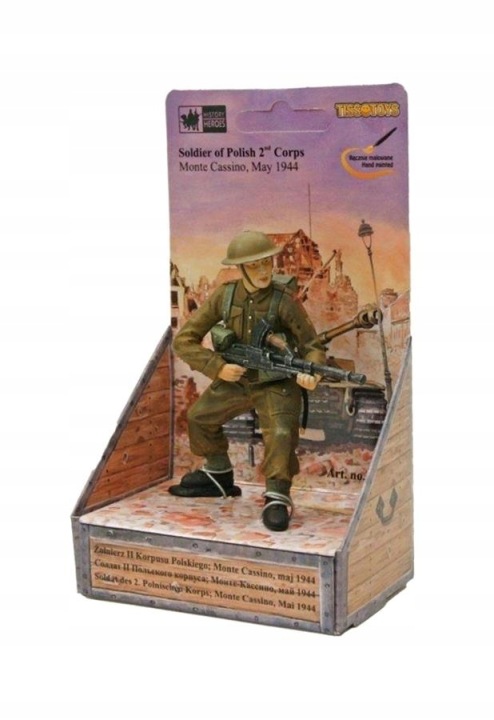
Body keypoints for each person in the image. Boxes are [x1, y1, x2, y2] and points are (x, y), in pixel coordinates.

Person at [169, 231, 326, 531]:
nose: (264, 270)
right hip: (237, 377)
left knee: (280, 431)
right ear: (240, 268)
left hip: (276, 380)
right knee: (199, 416)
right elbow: (184, 340)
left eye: (267, 262)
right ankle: (218, 473)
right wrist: (218, 367)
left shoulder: (284, 301)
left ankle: (277, 494)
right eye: (255, 265)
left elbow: (312, 345)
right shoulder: (225, 296)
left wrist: (313, 372)